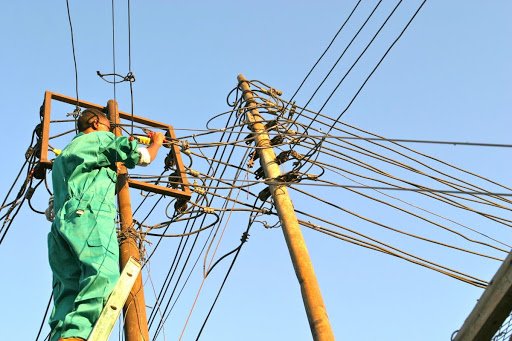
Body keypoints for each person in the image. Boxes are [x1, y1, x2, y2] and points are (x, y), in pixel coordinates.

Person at [47, 108, 164, 341]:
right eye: (109, 127)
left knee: (68, 287)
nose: (111, 131)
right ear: (94, 123)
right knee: (102, 274)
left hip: (61, 226)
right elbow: (142, 157)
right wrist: (156, 143)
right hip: (89, 214)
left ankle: (63, 336)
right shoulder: (100, 138)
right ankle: (77, 335)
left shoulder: (63, 156)